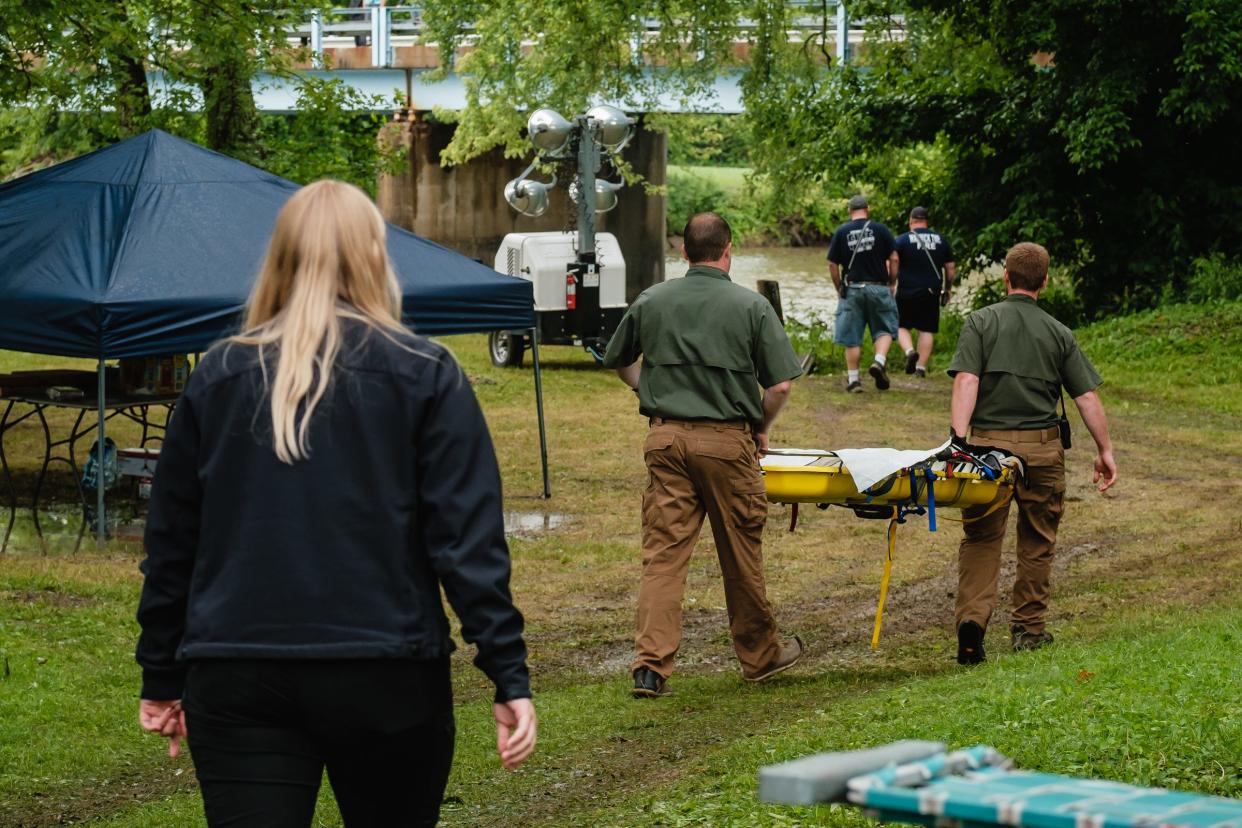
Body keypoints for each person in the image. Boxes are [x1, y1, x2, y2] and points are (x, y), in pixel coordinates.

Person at [135, 180, 535, 827]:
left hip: (240, 669)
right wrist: (506, 674)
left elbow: (172, 541)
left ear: (281, 258)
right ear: (376, 256)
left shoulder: (218, 374)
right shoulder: (424, 371)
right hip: (385, 674)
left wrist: (161, 671)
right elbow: (466, 543)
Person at [603, 212, 805, 699]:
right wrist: (758, 428)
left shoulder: (652, 299)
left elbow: (618, 360)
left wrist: (649, 394)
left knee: (664, 558)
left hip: (666, 439)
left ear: (684, 253)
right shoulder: (751, 306)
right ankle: (760, 657)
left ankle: (650, 667)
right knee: (740, 555)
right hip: (726, 442)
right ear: (728, 250)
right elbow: (779, 385)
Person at [946, 242, 1117, 665]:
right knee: (1038, 540)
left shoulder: (980, 322)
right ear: (1044, 282)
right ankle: (1028, 629)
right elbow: (1086, 398)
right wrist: (1104, 449)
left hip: (986, 453)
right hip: (1042, 451)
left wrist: (958, 439)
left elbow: (966, 380)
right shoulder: (1059, 332)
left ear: (1006, 277)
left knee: (982, 538)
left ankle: (972, 624)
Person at [827, 195, 900, 393]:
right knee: (885, 327)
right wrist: (892, 282)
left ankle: (854, 381)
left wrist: (839, 287)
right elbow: (894, 258)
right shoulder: (881, 230)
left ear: (850, 211)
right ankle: (879, 361)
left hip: (853, 288)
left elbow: (832, 264)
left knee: (852, 336)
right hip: (879, 287)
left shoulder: (842, 232)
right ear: (868, 209)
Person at [895, 206, 957, 378]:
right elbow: (950, 269)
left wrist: (892, 283)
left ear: (911, 220)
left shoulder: (901, 240)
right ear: (926, 221)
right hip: (931, 291)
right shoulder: (941, 240)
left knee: (900, 325)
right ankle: (920, 368)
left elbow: (892, 262)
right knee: (926, 329)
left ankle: (909, 352)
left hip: (906, 290)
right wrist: (947, 289)